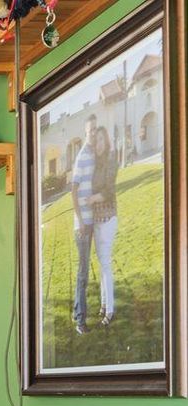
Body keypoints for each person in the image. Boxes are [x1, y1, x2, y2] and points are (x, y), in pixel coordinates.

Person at [89, 127, 118, 327]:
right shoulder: (95, 163)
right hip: (96, 219)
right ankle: (103, 304)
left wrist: (92, 198)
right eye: (95, 140)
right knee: (101, 263)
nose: (98, 144)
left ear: (106, 141)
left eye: (101, 139)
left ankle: (110, 309)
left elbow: (108, 190)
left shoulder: (110, 160)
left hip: (107, 217)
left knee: (106, 263)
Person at [71, 115, 98, 335]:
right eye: (90, 131)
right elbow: (73, 190)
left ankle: (77, 312)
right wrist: (80, 222)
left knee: (85, 272)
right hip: (82, 225)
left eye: (95, 130)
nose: (93, 134)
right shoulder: (82, 157)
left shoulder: (95, 155)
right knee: (83, 273)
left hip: (92, 221)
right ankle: (80, 320)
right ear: (85, 133)